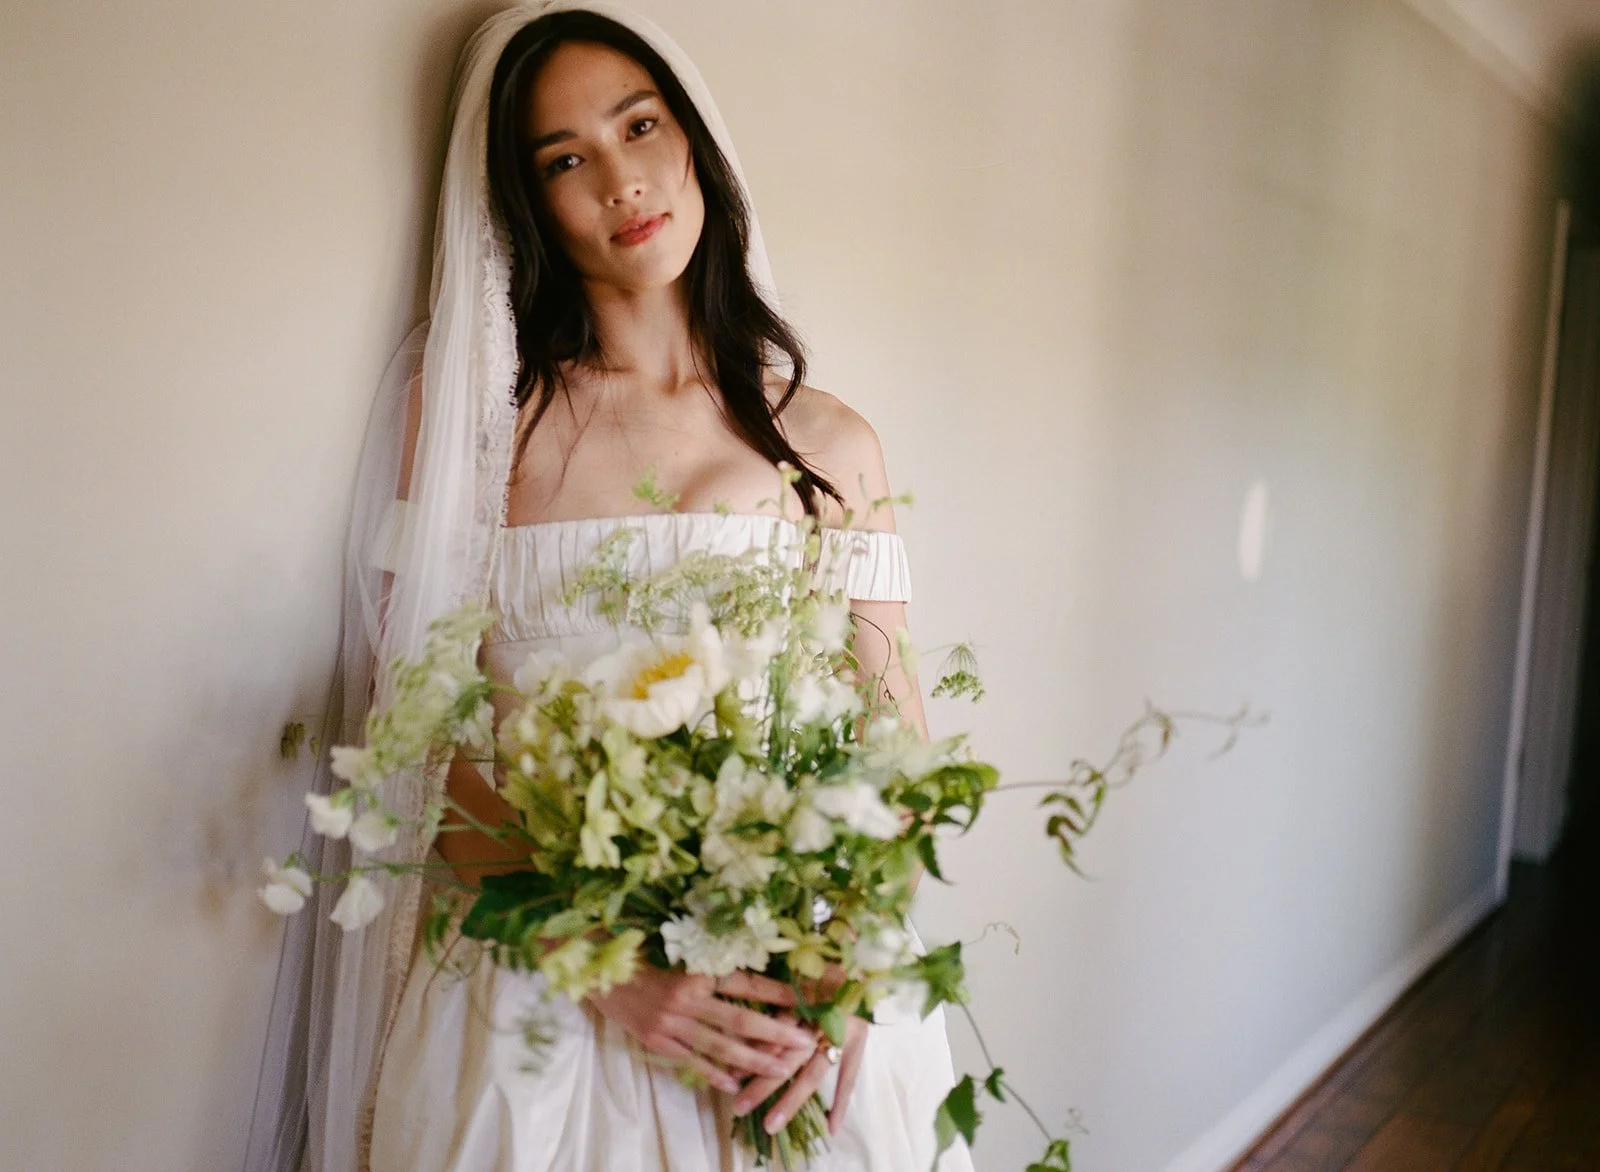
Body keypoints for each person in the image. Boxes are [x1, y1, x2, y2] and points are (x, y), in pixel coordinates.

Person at [245, 5, 974, 1170]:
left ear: (693, 142)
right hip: (549, 1002)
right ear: (527, 202)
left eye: (638, 127)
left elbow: (897, 744)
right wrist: (611, 963)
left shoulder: (833, 442)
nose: (620, 180)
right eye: (564, 159)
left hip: (792, 992)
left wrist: (843, 963)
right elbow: (413, 740)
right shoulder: (480, 428)